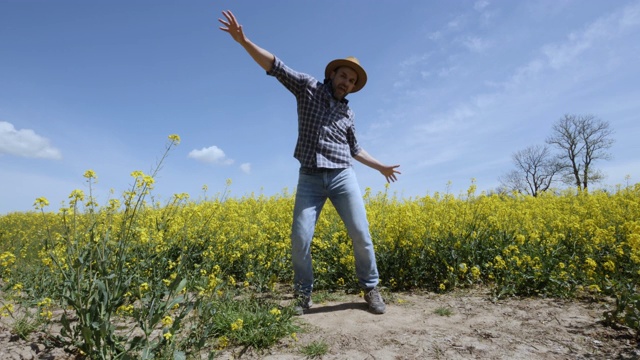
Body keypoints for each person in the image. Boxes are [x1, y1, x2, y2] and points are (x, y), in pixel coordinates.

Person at [218, 10, 401, 315]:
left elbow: (355, 148)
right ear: (332, 74)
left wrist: (380, 166)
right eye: (344, 75)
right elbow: (275, 66)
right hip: (310, 177)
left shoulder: (348, 113)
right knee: (300, 239)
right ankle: (303, 296)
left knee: (361, 234)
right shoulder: (307, 88)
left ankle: (370, 288)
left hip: (343, 175)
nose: (347, 82)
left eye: (352, 81)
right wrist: (244, 41)